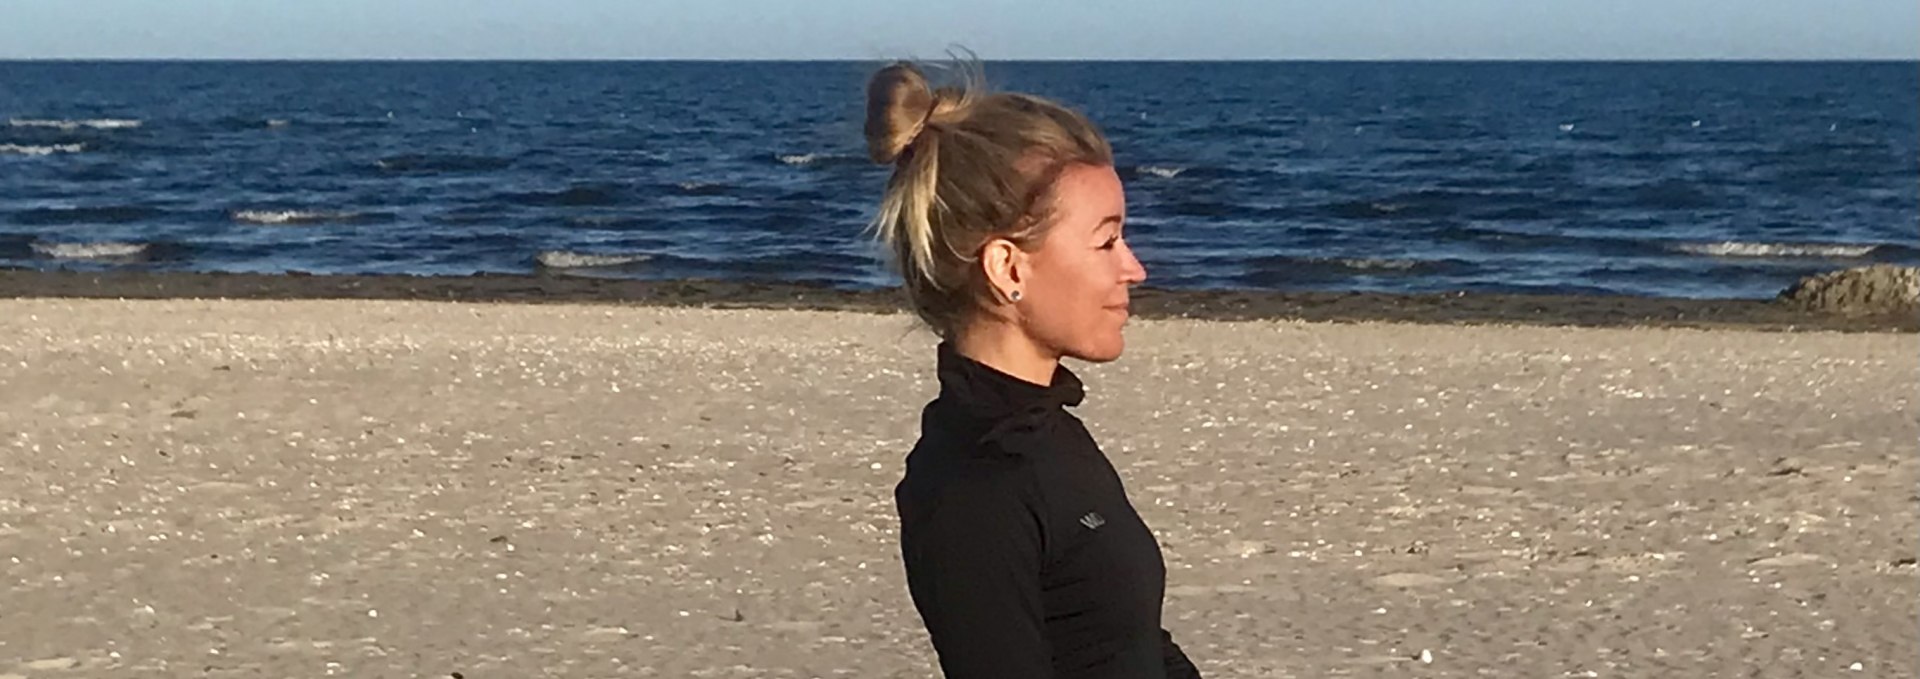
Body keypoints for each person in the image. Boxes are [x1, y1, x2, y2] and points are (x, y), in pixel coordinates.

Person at [864, 56, 1203, 679]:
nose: (1134, 269)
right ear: (1009, 269)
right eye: (1106, 242)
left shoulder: (1047, 426)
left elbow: (1127, 639)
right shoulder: (974, 486)